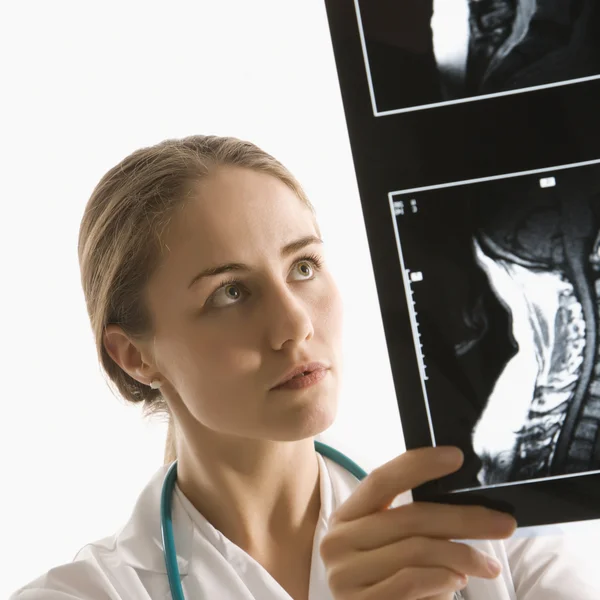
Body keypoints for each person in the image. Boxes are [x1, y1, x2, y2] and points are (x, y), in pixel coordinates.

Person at [10, 135, 599, 599]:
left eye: (304, 267)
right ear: (135, 355)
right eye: (230, 293)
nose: (294, 324)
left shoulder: (497, 538)